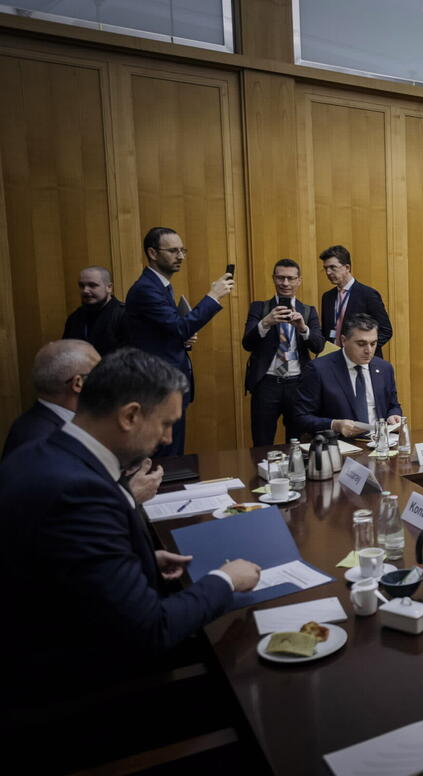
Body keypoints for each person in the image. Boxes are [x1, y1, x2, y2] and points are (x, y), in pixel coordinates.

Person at [0, 348, 260, 694]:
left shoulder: (41, 452)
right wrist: (225, 580)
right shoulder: (79, 493)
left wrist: (141, 559)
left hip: (65, 640)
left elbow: (65, 566)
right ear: (130, 416)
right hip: (83, 685)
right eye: (165, 424)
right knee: (251, 639)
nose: (167, 439)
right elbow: (151, 630)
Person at [124, 226, 234, 456]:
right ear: (153, 253)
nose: (181, 256)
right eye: (173, 251)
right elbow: (179, 327)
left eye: (183, 250)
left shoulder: (160, 286)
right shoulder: (146, 289)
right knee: (166, 454)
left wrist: (182, 340)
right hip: (158, 386)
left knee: (172, 452)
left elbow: (164, 333)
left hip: (167, 382)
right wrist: (213, 295)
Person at [242, 259, 324, 445]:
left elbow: (318, 346)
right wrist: (266, 322)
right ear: (273, 279)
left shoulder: (308, 311)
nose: (285, 283)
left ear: (299, 280)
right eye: (280, 278)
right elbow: (247, 343)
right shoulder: (259, 308)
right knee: (262, 442)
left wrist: (303, 328)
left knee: (298, 442)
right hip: (267, 384)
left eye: (290, 278)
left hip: (298, 385)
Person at [294, 313, 403, 439]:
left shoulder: (384, 368)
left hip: (380, 442)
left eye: (373, 344)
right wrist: (334, 425)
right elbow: (301, 418)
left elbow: (393, 405)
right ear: (344, 341)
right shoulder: (319, 369)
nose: (368, 350)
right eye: (361, 344)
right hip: (340, 443)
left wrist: (393, 415)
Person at [2, 339, 99, 461]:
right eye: (100, 373)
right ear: (78, 384)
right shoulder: (45, 442)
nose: (106, 379)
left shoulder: (39, 420)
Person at [319, 245, 392, 351]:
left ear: (347, 268)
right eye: (326, 268)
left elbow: (385, 331)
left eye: (333, 267)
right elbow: (326, 331)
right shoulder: (327, 297)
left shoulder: (368, 295)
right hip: (334, 357)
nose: (328, 272)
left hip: (360, 357)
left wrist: (362, 349)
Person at [62, 266, 127, 355]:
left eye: (92, 285)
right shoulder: (74, 318)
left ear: (109, 287)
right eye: (81, 286)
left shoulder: (124, 315)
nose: (85, 290)